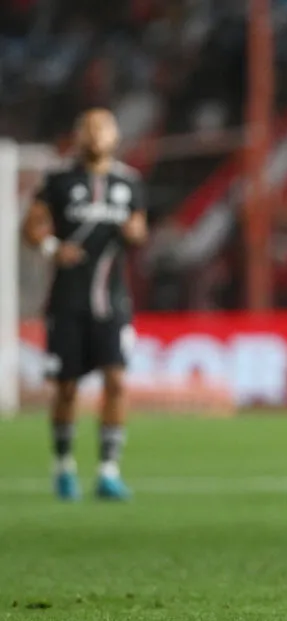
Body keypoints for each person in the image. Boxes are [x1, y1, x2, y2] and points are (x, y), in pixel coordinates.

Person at [21, 108, 148, 502]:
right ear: (77, 135)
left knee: (116, 380)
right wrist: (52, 247)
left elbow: (140, 230)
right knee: (67, 388)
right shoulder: (58, 180)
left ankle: (108, 471)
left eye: (103, 128)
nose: (95, 135)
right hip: (67, 301)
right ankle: (63, 465)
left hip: (113, 301)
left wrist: (135, 231)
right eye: (88, 128)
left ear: (114, 136)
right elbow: (32, 226)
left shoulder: (128, 182)